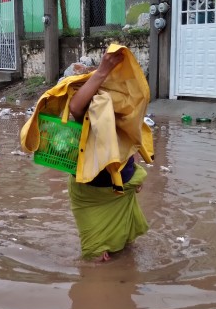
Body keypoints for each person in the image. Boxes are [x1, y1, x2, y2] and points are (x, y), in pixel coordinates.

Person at [20, 45, 153, 261]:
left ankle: (122, 283)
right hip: (91, 192)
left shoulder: (119, 103)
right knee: (96, 255)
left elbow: (129, 141)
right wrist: (102, 71)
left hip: (120, 186)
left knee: (126, 244)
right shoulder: (90, 105)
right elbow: (75, 107)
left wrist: (135, 175)